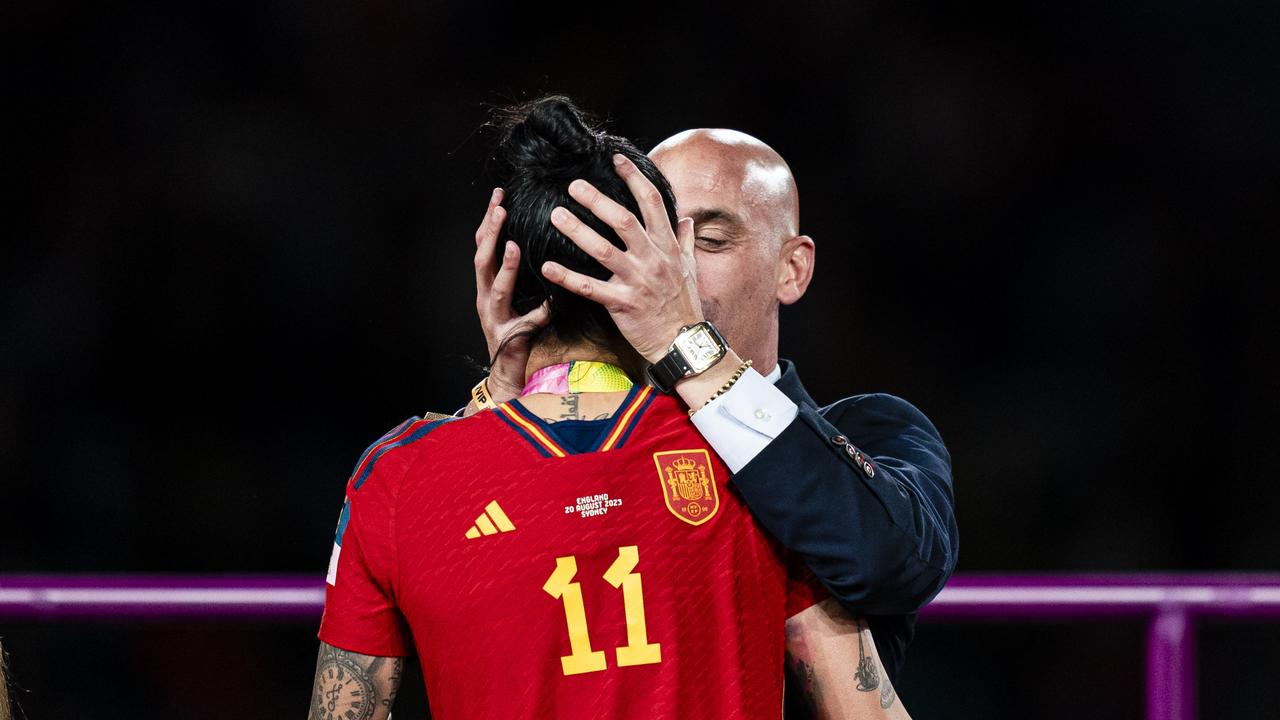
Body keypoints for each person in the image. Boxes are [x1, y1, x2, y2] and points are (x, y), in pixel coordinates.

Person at [311, 96, 909, 720]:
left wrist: (492, 400)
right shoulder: (750, 461)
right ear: (653, 273)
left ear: (504, 278)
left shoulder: (397, 479)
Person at [469, 126, 958, 696]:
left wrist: (686, 342)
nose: (672, 268)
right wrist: (506, 395)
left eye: (710, 240)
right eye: (653, 238)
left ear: (791, 270)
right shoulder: (576, 447)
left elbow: (892, 563)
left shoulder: (875, 429)